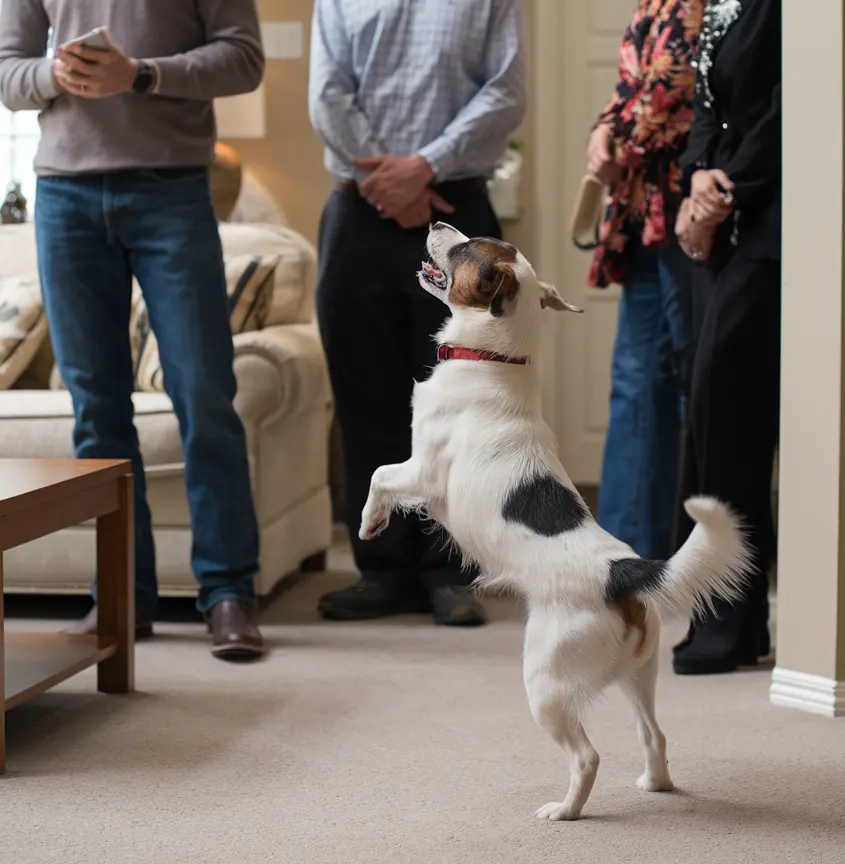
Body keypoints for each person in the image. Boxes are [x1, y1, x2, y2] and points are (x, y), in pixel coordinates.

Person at [0, 0, 267, 660]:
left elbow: (243, 60)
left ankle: (228, 593)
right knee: (97, 412)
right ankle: (123, 596)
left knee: (204, 397)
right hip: (64, 197)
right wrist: (56, 77)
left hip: (171, 191)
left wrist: (139, 75)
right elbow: (7, 74)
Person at [308, 0, 526, 626]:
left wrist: (424, 167)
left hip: (458, 208)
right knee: (365, 396)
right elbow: (328, 93)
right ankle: (382, 570)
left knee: (461, 404)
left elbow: (506, 92)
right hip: (357, 212)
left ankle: (449, 572)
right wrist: (391, 182)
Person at [673, 0, 781, 675]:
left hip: (775, 224)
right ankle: (730, 622)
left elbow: (794, 106)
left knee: (726, 405)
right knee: (717, 420)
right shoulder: (718, 3)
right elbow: (706, 104)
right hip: (721, 231)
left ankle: (729, 621)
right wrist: (695, 179)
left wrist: (726, 191)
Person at [586, 0, 700, 560]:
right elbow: (632, 88)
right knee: (638, 382)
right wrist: (604, 130)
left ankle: (636, 559)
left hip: (692, 210)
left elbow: (677, 88)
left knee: (679, 387)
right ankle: (625, 557)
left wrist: (619, 142)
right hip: (646, 214)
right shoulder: (651, 5)